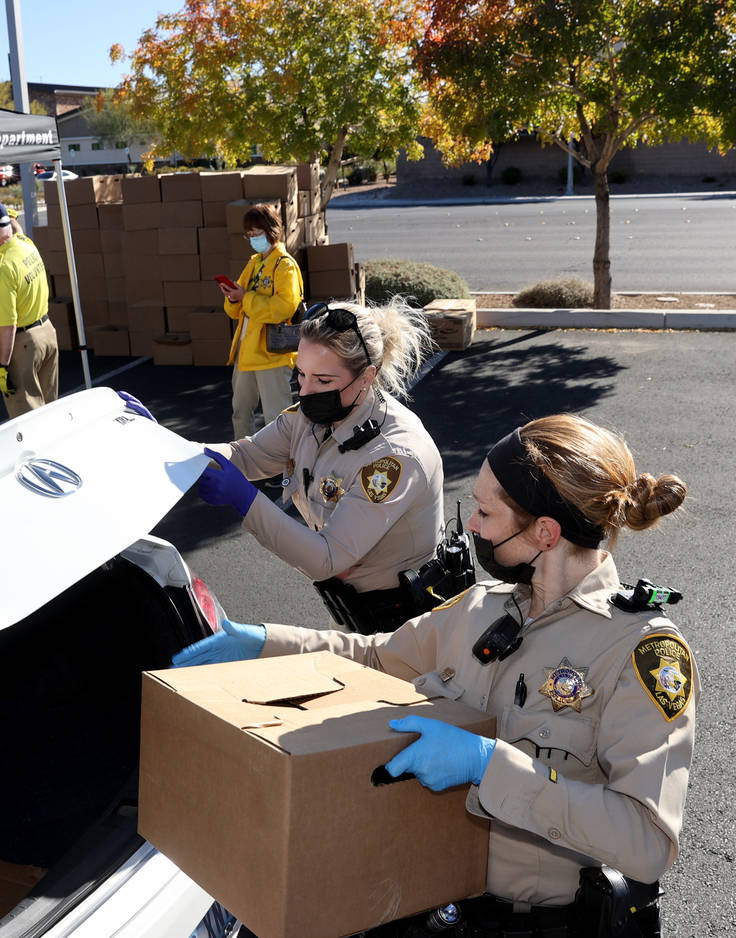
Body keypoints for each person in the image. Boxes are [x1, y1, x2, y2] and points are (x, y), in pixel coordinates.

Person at [176, 414, 694, 938]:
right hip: (418, 903)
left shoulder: (641, 651)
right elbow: (377, 659)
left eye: (487, 512)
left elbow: (647, 842)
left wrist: (490, 766)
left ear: (544, 532)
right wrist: (264, 643)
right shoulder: (478, 609)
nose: (471, 525)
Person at [196, 300, 449, 633]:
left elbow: (327, 557)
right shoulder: (316, 415)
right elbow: (247, 455)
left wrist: (247, 501)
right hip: (355, 612)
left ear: (366, 377)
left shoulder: (394, 457)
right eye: (301, 374)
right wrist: (161, 444)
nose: (305, 391)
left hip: (406, 628)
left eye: (323, 380)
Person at [0, 199, 58, 418]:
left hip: (22, 346)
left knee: (28, 418)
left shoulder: (1, 268)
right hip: (46, 333)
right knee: (50, 411)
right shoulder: (25, 245)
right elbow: (18, 231)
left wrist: (3, 365)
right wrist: (10, 219)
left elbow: (8, 324)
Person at [218, 203, 303, 440]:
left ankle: (281, 469)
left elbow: (284, 308)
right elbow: (234, 310)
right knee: (240, 412)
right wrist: (234, 298)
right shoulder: (254, 263)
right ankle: (242, 461)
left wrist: (245, 298)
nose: (253, 239)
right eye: (250, 235)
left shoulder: (284, 265)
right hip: (246, 351)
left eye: (257, 233)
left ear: (272, 231)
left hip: (271, 355)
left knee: (277, 418)